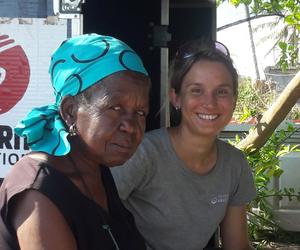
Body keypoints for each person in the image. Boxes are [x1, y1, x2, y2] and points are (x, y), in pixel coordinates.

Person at [0, 33, 151, 250]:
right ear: (70, 111)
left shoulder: (95, 170)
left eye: (140, 112)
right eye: (115, 108)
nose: (131, 126)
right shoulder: (38, 191)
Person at [111, 39, 256, 250]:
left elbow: (237, 245)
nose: (210, 102)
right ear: (176, 98)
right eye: (196, 90)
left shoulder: (235, 164)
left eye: (222, 91)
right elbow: (90, 222)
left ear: (234, 99)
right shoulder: (142, 154)